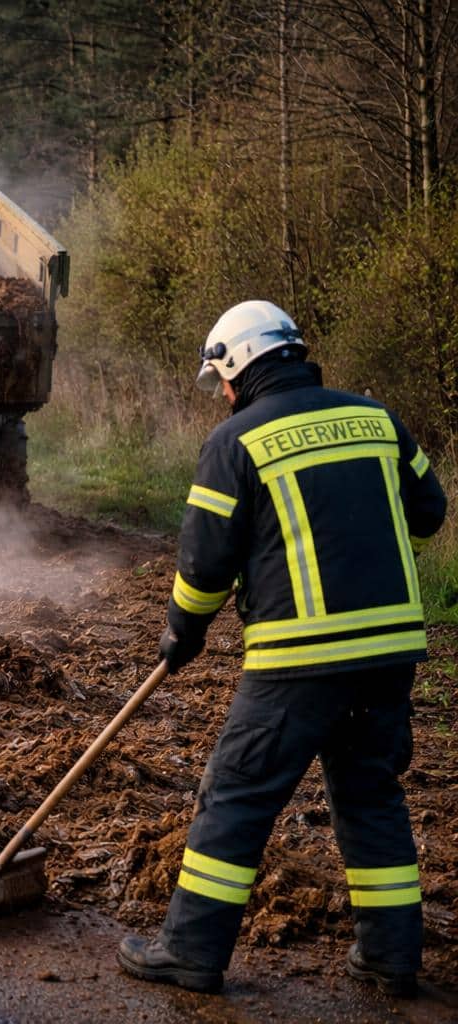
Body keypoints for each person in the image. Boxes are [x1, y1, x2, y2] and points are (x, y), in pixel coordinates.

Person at [117, 301, 447, 997]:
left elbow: (205, 567)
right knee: (370, 797)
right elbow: (430, 512)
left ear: (238, 364)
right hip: (389, 659)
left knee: (234, 798)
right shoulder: (377, 419)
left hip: (297, 664)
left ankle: (190, 952)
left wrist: (183, 631)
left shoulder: (235, 442)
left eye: (222, 379)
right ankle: (391, 961)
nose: (224, 395)